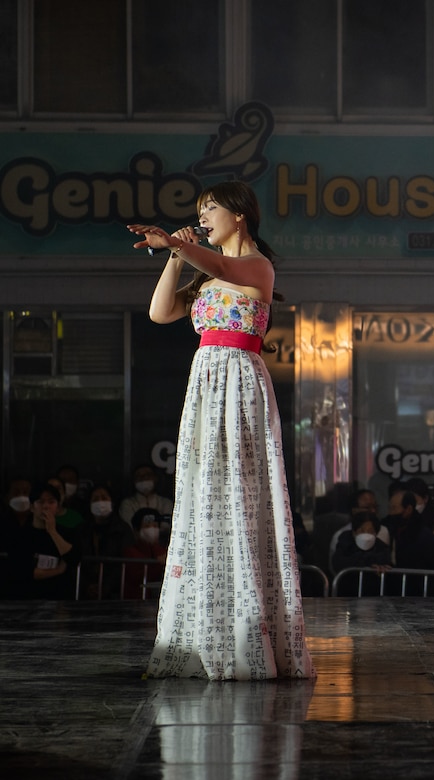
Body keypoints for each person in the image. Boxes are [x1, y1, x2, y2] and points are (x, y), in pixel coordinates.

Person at [129, 179, 313, 681]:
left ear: (240, 215)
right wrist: (174, 255)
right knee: (205, 493)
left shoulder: (256, 266)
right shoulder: (205, 277)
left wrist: (178, 244)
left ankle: (251, 627)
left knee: (242, 491)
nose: (203, 217)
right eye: (200, 211)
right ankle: (207, 624)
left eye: (210, 208)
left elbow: (226, 269)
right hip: (205, 385)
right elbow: (159, 312)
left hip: (239, 381)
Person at [27, 482, 80, 601]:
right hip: (29, 596)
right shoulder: (22, 534)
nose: (46, 506)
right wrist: (58, 570)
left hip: (60, 596)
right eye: (40, 502)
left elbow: (73, 558)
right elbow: (24, 572)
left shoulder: (68, 533)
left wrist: (52, 531)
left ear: (58, 507)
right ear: (31, 507)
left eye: (51, 502)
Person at [79, 484, 130, 599]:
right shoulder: (82, 530)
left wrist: (107, 586)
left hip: (115, 592)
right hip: (85, 591)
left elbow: (125, 560)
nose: (100, 502)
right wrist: (86, 585)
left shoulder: (123, 529)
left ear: (112, 502)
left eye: (104, 498)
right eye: (95, 499)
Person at [330, 510, 393, 596]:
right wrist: (368, 562)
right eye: (362, 531)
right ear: (354, 532)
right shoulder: (344, 543)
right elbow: (338, 563)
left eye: (370, 531)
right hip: (347, 594)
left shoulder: (381, 547)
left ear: (376, 533)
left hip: (373, 596)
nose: (366, 535)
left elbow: (386, 562)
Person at [122, 507, 169, 601]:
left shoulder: (164, 551)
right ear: (136, 530)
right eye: (147, 526)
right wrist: (159, 564)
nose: (152, 529)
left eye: (155, 526)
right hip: (136, 601)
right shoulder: (130, 552)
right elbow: (137, 576)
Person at [118, 464, 173, 536]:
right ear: (133, 480)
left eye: (148, 474)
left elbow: (166, 527)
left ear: (155, 478)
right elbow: (129, 528)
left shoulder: (166, 503)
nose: (144, 478)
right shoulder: (127, 504)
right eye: (139, 476)